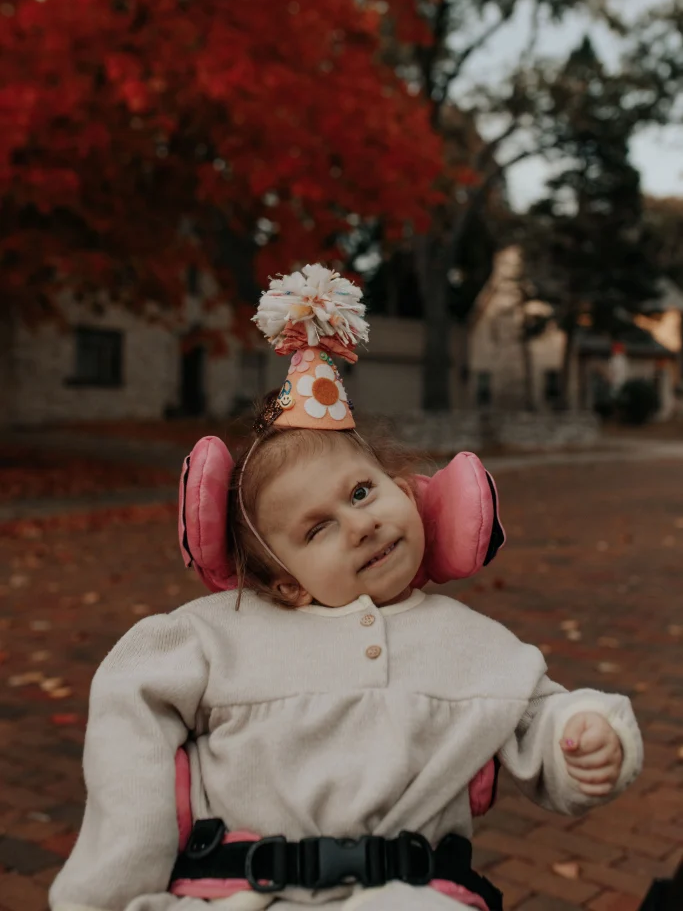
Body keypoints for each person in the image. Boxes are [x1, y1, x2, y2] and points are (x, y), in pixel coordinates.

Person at [50, 266, 643, 911]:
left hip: (410, 895)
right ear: (287, 582)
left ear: (404, 487)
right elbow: (128, 698)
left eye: (363, 491)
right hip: (231, 891)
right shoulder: (214, 632)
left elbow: (539, 716)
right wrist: (116, 881)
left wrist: (582, 733)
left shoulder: (475, 645)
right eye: (318, 529)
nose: (361, 525)